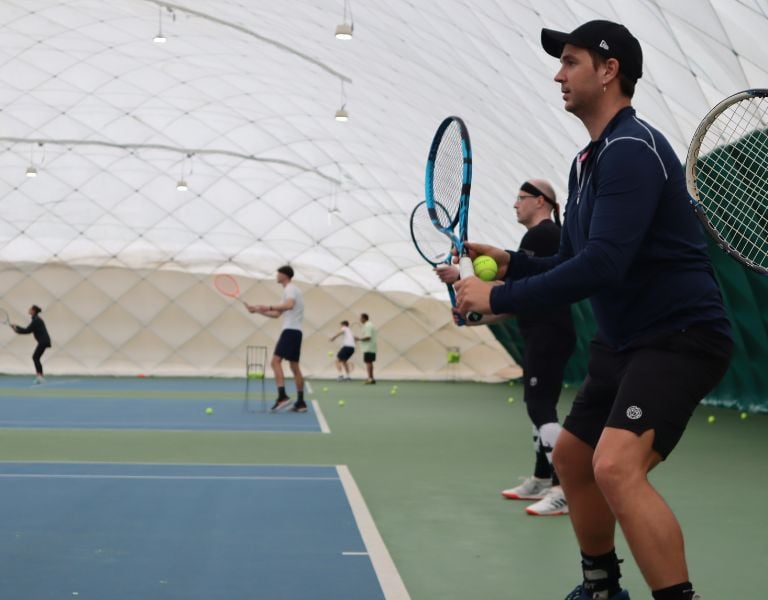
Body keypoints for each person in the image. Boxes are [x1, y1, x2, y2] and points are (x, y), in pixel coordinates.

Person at [454, 20, 732, 600]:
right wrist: (509, 262)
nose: (558, 73)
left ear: (609, 72)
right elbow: (576, 258)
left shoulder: (631, 149)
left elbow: (601, 266)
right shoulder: (589, 160)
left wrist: (498, 298)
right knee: (575, 460)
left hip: (678, 336)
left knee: (614, 467)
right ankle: (601, 589)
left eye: (572, 61)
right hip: (623, 341)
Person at [438, 179, 576, 516]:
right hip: (542, 333)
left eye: (521, 198)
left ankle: (565, 488)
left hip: (548, 334)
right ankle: (542, 479)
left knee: (540, 406)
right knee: (538, 406)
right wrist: (472, 313)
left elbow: (516, 290)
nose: (515, 204)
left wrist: (462, 279)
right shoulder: (540, 239)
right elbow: (515, 301)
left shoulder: (543, 235)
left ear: (541, 201)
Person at [246, 266, 307, 413]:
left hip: (290, 332)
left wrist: (267, 306)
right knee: (294, 367)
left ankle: (282, 397)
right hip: (295, 332)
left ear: (284, 275)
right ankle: (300, 403)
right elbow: (276, 314)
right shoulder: (289, 291)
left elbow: (289, 305)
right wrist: (258, 310)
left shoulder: (290, 289)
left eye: (278, 273)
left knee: (275, 362)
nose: (276, 275)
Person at [12, 305, 52, 384]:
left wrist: (16, 329)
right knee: (36, 357)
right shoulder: (35, 319)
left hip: (43, 341)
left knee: (35, 357)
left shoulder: (36, 320)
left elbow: (27, 331)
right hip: (44, 341)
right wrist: (16, 328)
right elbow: (28, 330)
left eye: (30, 309)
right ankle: (40, 376)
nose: (29, 309)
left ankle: (40, 377)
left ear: (33, 311)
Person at [355, 313, 377, 384]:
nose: (360, 320)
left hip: (368, 347)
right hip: (370, 347)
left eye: (360, 318)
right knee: (369, 362)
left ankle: (370, 378)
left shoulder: (368, 326)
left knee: (368, 362)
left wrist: (359, 339)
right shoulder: (369, 325)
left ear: (364, 318)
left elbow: (368, 337)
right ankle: (371, 378)